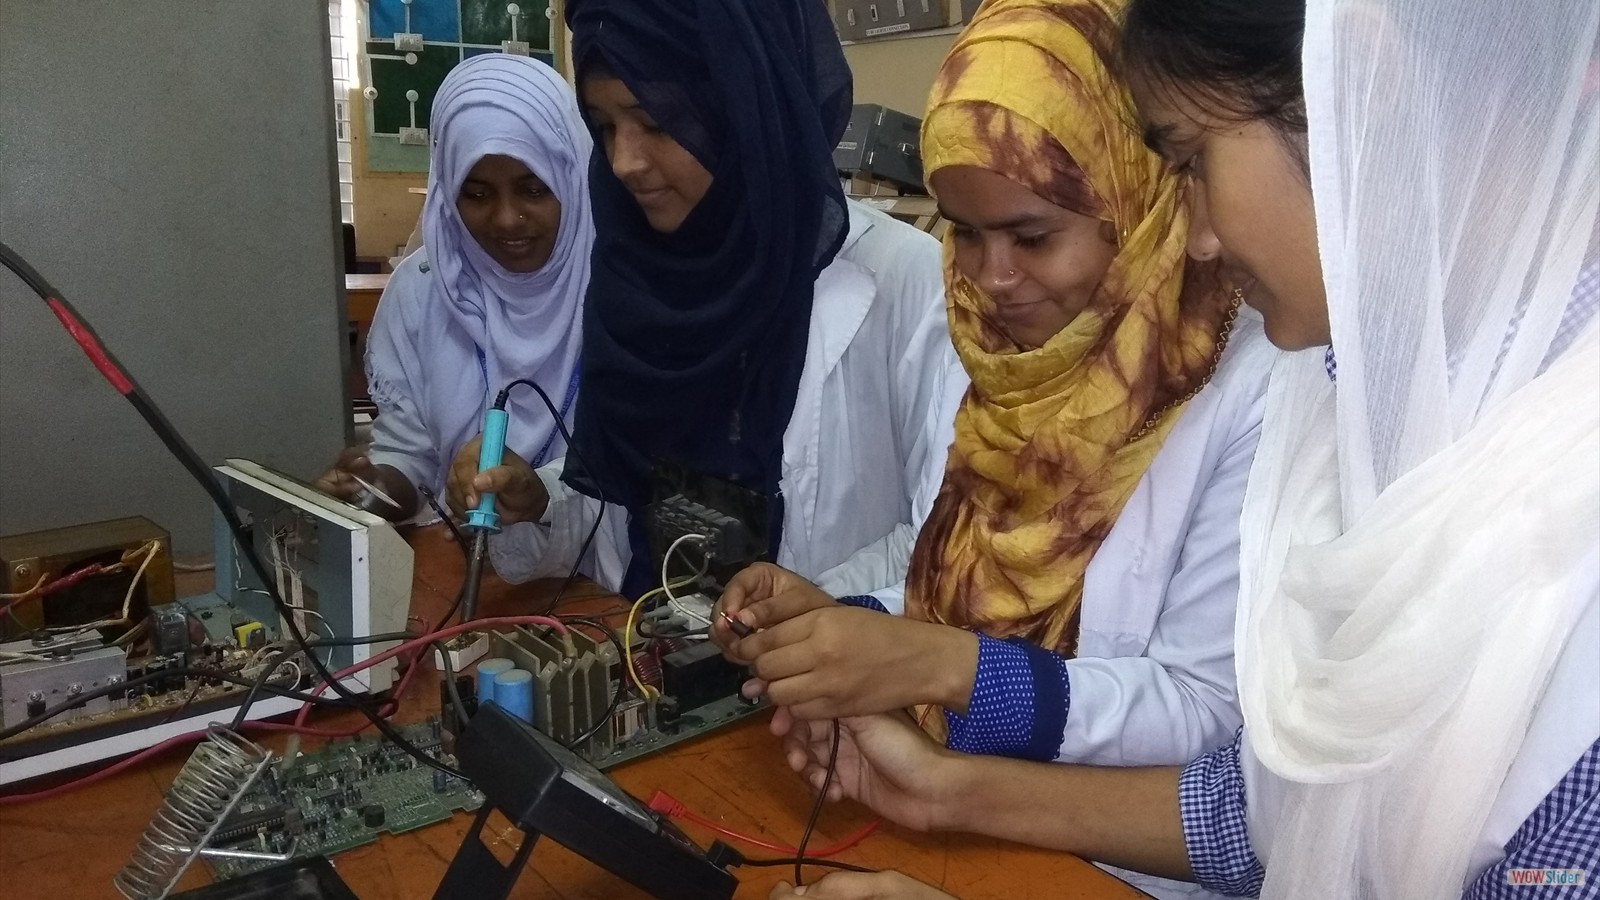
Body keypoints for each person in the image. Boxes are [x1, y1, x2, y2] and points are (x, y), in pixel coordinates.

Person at [764, 0, 1600, 897]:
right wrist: (939, 789)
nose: (1193, 229)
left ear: (1368, 93)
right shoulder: (1352, 397)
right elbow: (1268, 814)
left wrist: (940, 680)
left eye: (1194, 161)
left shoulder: (1555, 527)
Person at [714, 3, 1268, 893]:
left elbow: (1203, 716)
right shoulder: (1008, 353)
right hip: (961, 826)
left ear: (1142, 195)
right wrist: (841, 619)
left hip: (1120, 874)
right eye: (964, 231)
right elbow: (973, 583)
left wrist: (934, 663)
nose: (990, 277)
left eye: (1032, 236)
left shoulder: (1248, 386)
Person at [467, 0, 960, 601]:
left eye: (654, 122)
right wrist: (541, 500)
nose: (624, 162)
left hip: (819, 681)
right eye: (604, 125)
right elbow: (624, 505)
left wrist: (813, 611)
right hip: (649, 657)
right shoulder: (638, 273)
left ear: (745, 107)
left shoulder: (902, 282)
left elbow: (943, 542)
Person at [316, 55, 592, 525]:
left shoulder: (622, 292)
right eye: (477, 194)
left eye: (534, 189)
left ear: (572, 177)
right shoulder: (424, 291)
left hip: (601, 580)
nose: (506, 219)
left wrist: (541, 494)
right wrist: (374, 489)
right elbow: (411, 460)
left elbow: (643, 474)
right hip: (461, 568)